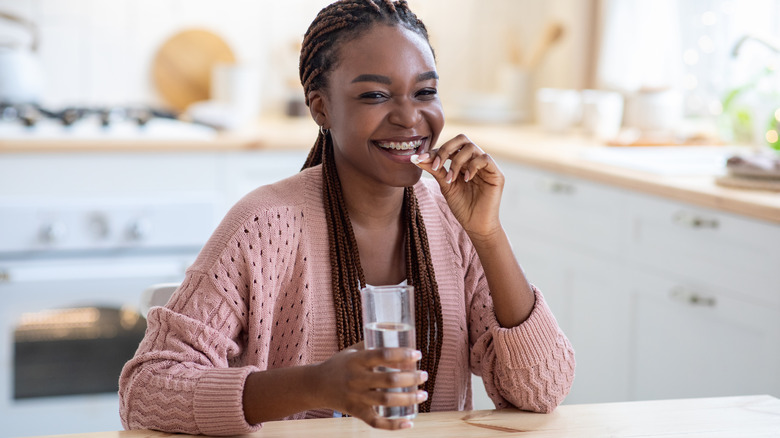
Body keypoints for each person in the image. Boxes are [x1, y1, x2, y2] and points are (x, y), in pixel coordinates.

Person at [118, 0, 575, 435]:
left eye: (425, 92)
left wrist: (487, 234)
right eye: (375, 94)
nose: (408, 116)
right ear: (321, 107)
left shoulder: (452, 223)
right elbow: (146, 390)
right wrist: (315, 384)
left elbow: (541, 390)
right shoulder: (262, 225)